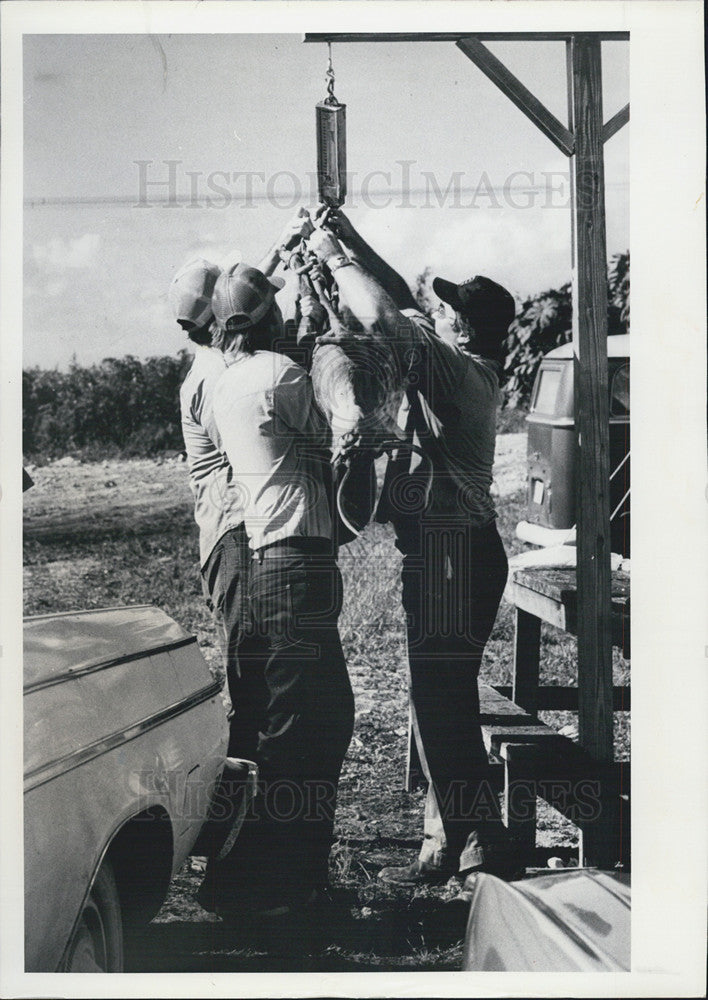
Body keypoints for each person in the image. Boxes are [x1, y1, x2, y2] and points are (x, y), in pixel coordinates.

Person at [306, 212, 518, 884]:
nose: (440, 311)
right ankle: (461, 842)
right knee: (443, 698)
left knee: (441, 702)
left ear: (462, 327)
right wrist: (347, 235)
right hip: (456, 551)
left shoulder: (458, 374)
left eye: (449, 308)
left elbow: (389, 320)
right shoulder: (469, 368)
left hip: (453, 554)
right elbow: (399, 301)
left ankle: (481, 838)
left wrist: (333, 259)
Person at [204, 261, 354, 918]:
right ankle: (266, 885)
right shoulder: (284, 376)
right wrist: (331, 342)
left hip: (272, 562)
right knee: (306, 730)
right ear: (269, 317)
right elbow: (337, 437)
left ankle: (270, 877)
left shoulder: (227, 382)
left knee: (297, 723)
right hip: (294, 563)